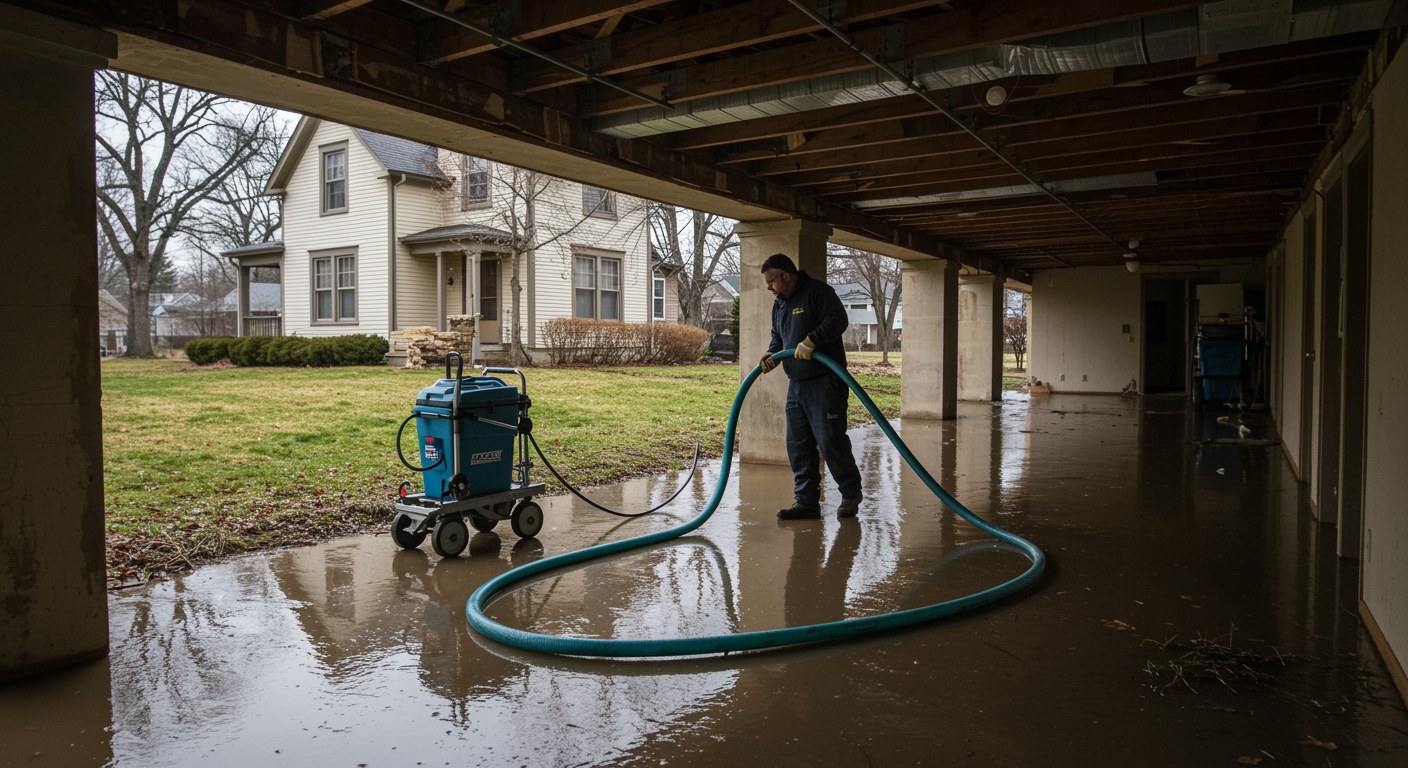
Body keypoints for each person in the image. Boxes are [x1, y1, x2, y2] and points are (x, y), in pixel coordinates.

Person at [757, 253, 864, 520]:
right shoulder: (780, 304)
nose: (769, 287)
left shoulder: (818, 292)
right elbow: (777, 337)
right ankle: (805, 502)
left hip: (825, 381)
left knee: (830, 440)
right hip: (797, 384)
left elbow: (838, 320)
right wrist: (772, 354)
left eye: (772, 281)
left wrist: (812, 340)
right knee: (798, 444)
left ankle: (851, 494)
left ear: (786, 276)